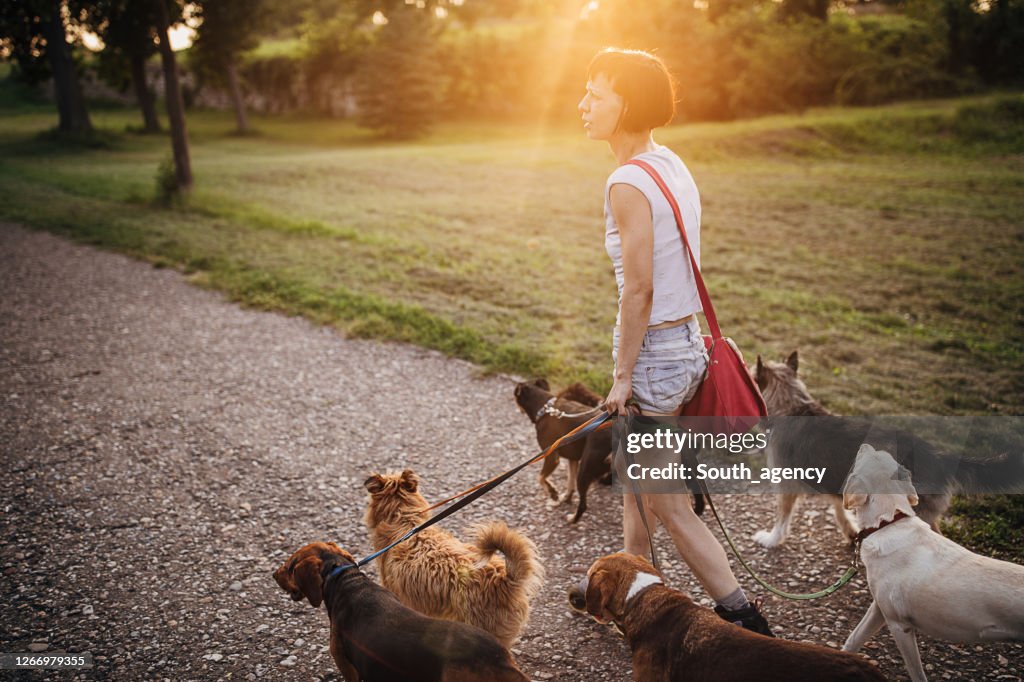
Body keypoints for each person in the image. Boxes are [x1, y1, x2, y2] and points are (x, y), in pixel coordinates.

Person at [577, 47, 772, 636]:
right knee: (638, 483)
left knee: (668, 503)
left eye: (597, 93)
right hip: (688, 346)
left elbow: (638, 290)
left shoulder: (626, 181)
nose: (583, 104)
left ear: (626, 103)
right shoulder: (671, 163)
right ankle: (633, 597)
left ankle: (746, 623)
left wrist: (621, 377)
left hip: (655, 357)